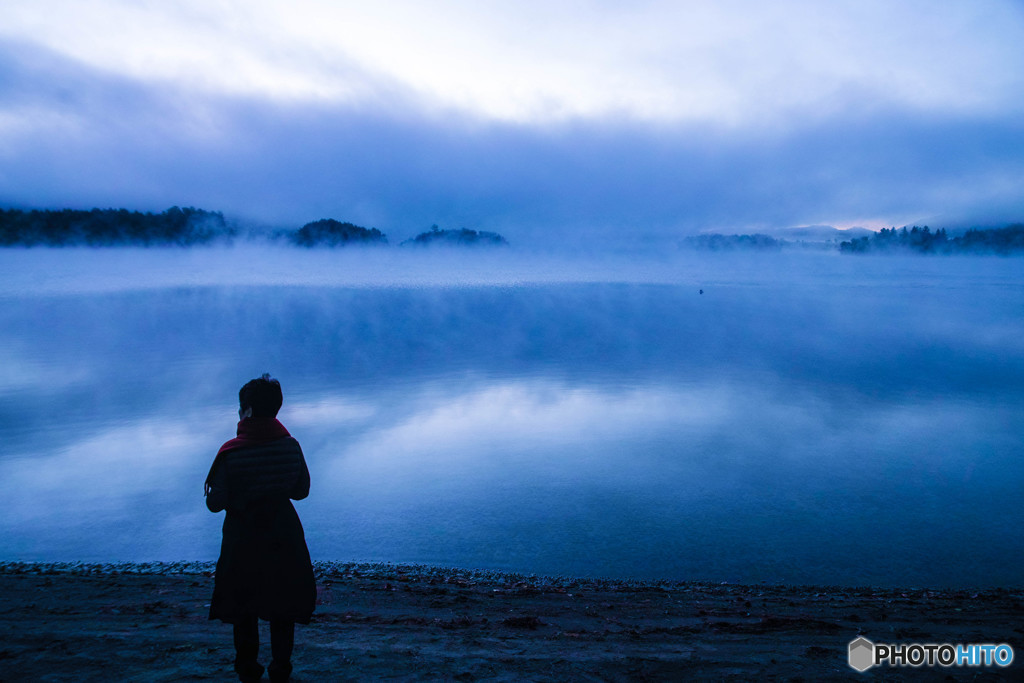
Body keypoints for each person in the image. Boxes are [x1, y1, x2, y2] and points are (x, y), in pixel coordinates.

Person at [205, 374, 316, 683]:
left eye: (241, 408)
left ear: (248, 411)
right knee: (283, 605)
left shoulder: (230, 452)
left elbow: (215, 503)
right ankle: (281, 668)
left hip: (243, 538)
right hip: (283, 534)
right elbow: (301, 490)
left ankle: (248, 669)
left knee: (244, 606)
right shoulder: (290, 446)